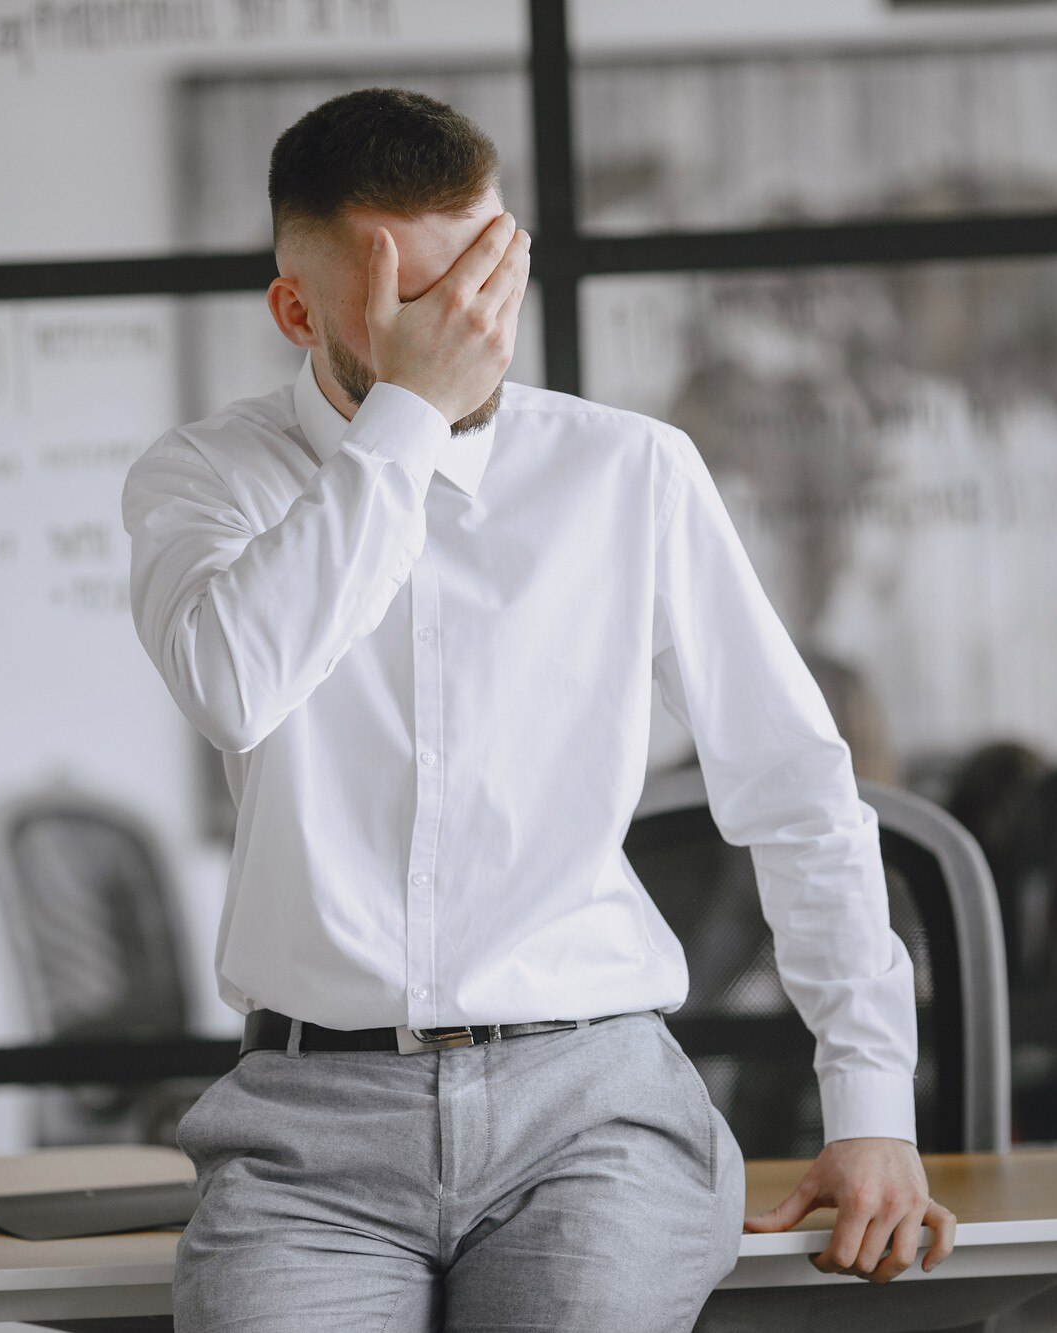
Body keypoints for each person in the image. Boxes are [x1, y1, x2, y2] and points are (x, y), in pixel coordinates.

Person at [120, 87, 957, 1332]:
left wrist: (871, 1105)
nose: (465, 324)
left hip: (592, 1108)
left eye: (485, 277)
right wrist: (404, 421)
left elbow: (794, 788)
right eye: (416, 297)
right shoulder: (205, 478)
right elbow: (234, 684)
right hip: (310, 1129)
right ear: (296, 310)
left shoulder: (630, 471)